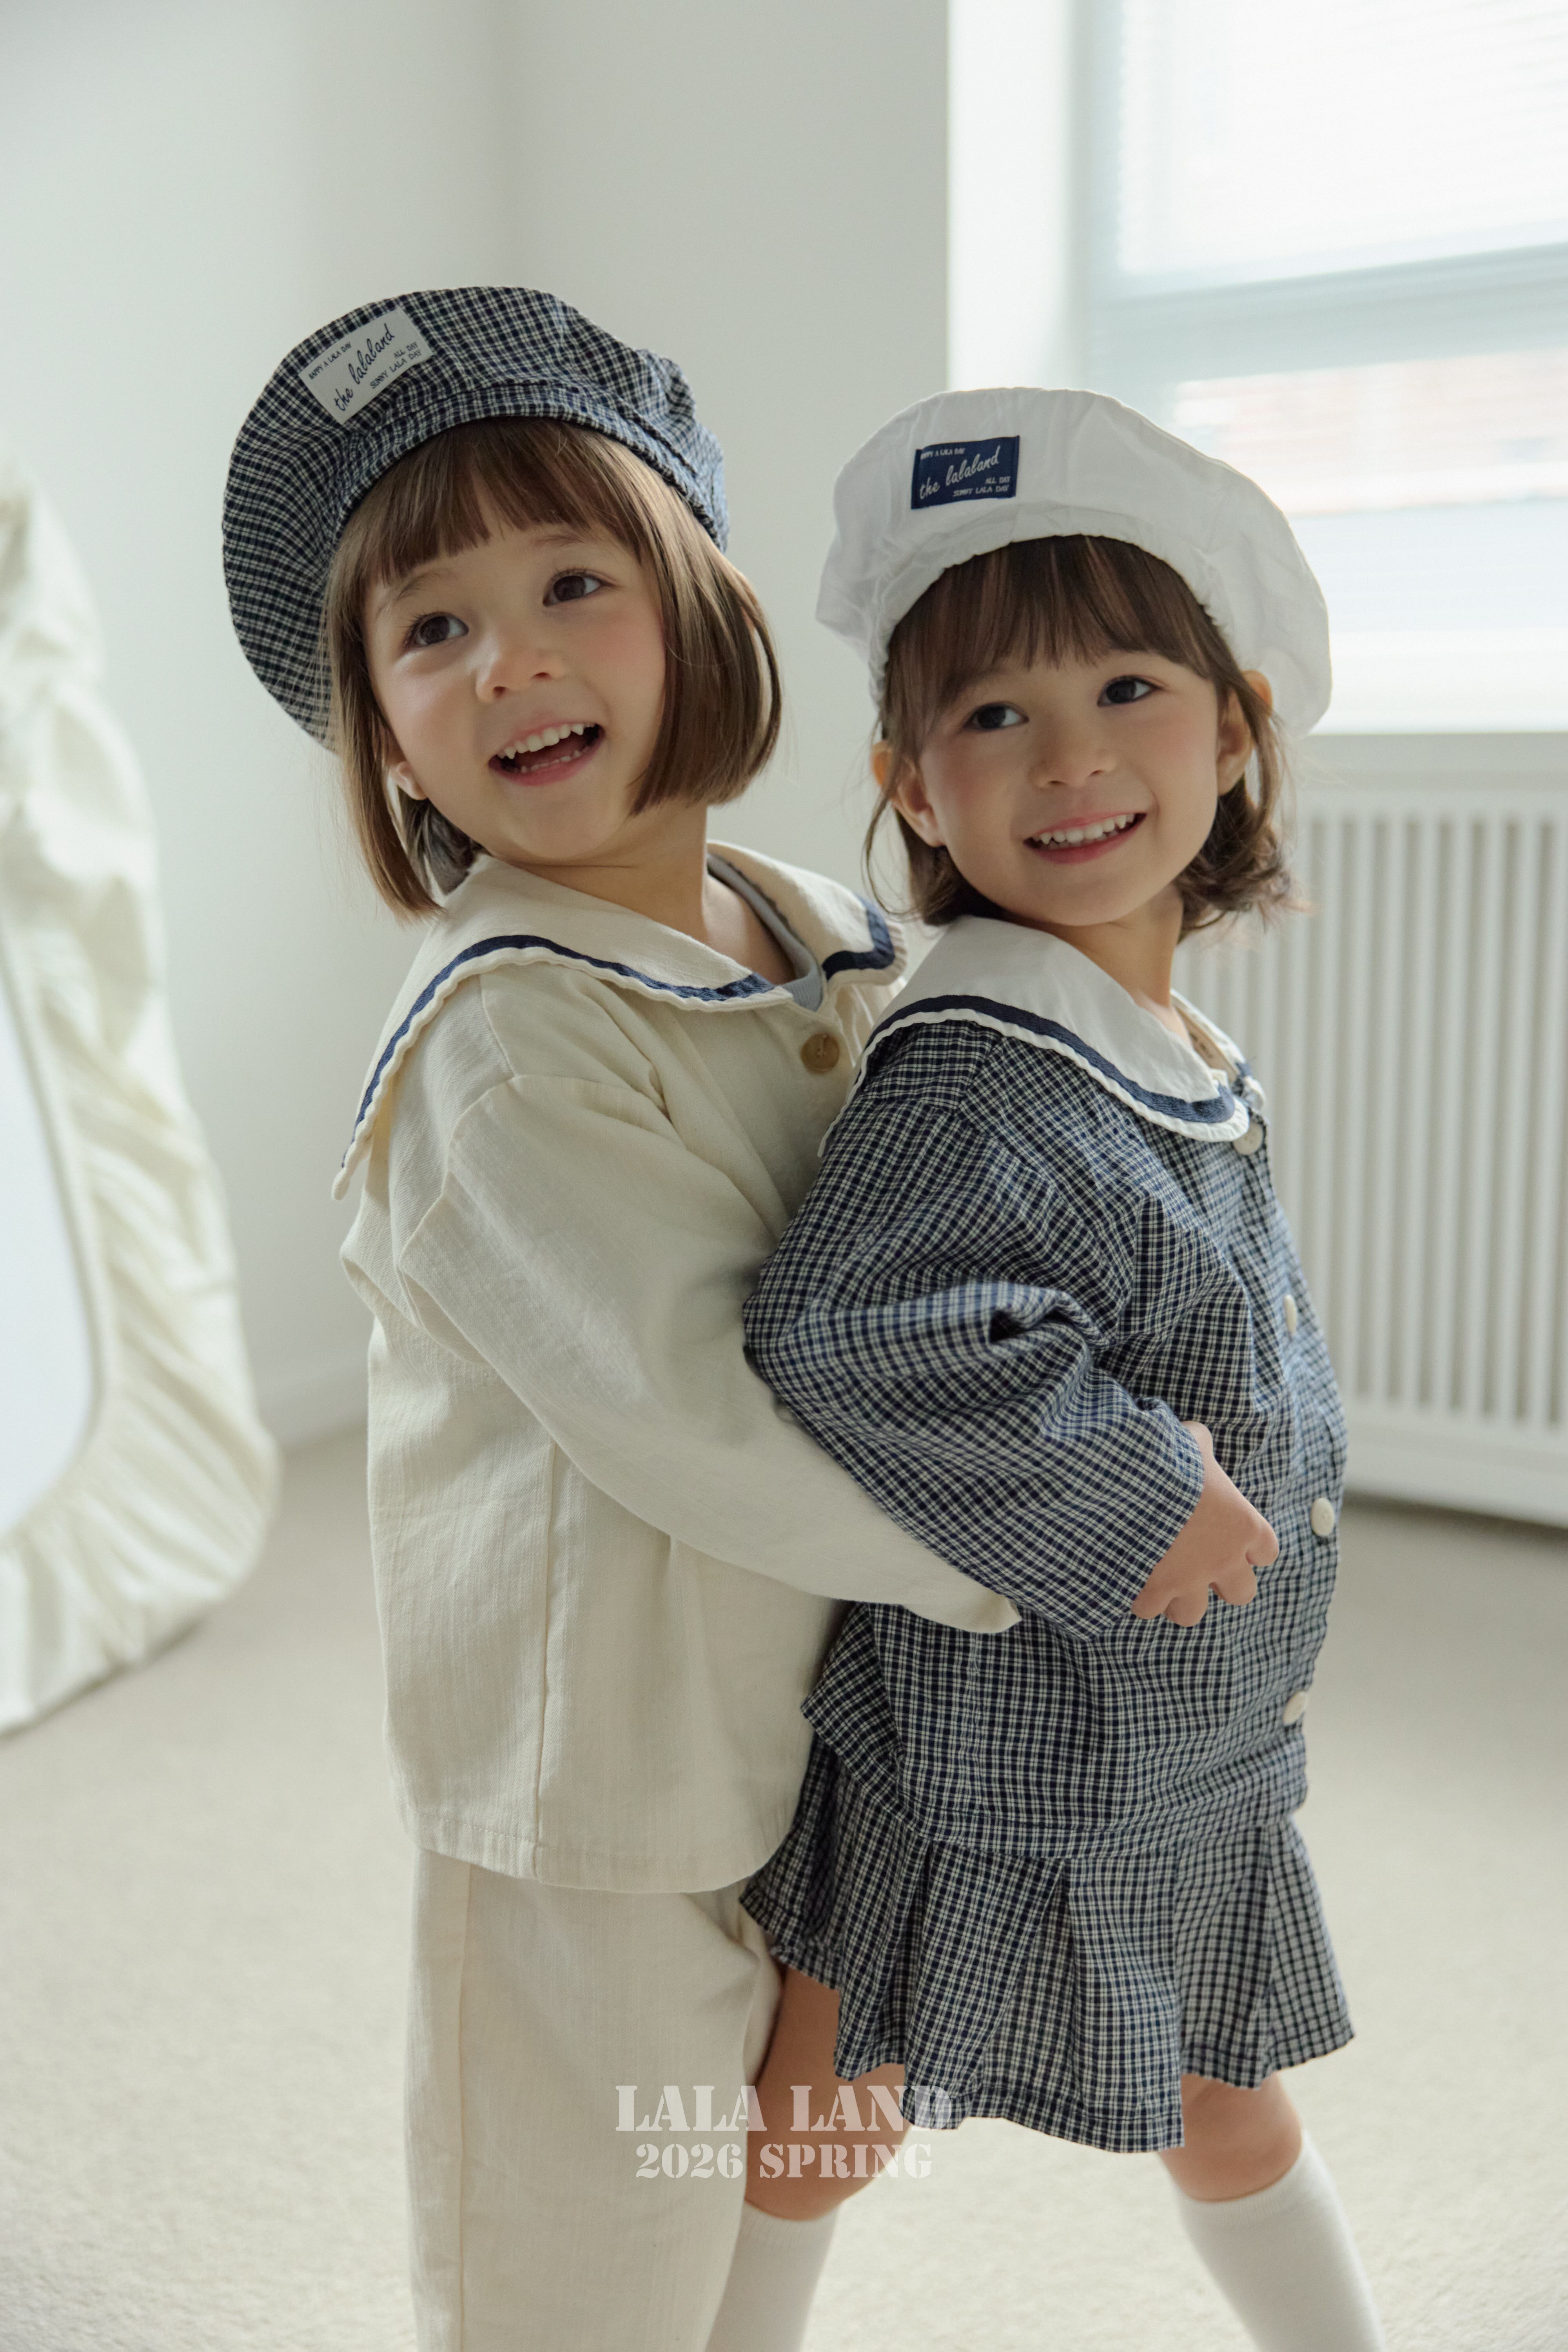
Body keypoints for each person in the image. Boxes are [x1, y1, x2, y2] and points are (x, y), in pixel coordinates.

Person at [221, 291, 1019, 2352]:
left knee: (789, 2156)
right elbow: (700, 1419)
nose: (513, 658)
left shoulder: (826, 934)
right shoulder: (503, 1047)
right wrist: (1039, 1555)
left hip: (819, 1715)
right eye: (433, 629)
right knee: (589, 2254)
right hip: (602, 1775)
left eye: (573, 581)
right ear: (380, 728)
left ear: (698, 608)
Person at [737, 388, 1387, 2351]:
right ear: (914, 789)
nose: (1072, 756)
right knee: (814, 2119)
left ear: (1234, 728)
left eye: (1126, 688)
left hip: (1173, 1740)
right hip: (1000, 1747)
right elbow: (859, 1325)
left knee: (1224, 2104)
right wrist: (1135, 1492)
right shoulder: (976, 1071)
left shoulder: (1156, 1043)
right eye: (994, 714)